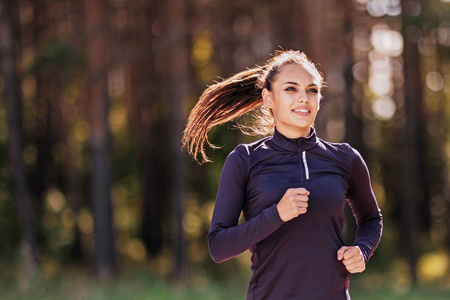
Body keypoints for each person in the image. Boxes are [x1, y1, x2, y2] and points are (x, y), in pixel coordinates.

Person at [182, 50, 383, 300]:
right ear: (268, 98)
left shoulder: (345, 158)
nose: (304, 98)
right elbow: (218, 247)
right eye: (291, 89)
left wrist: (362, 250)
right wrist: (276, 214)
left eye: (312, 90)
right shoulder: (245, 160)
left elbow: (371, 219)